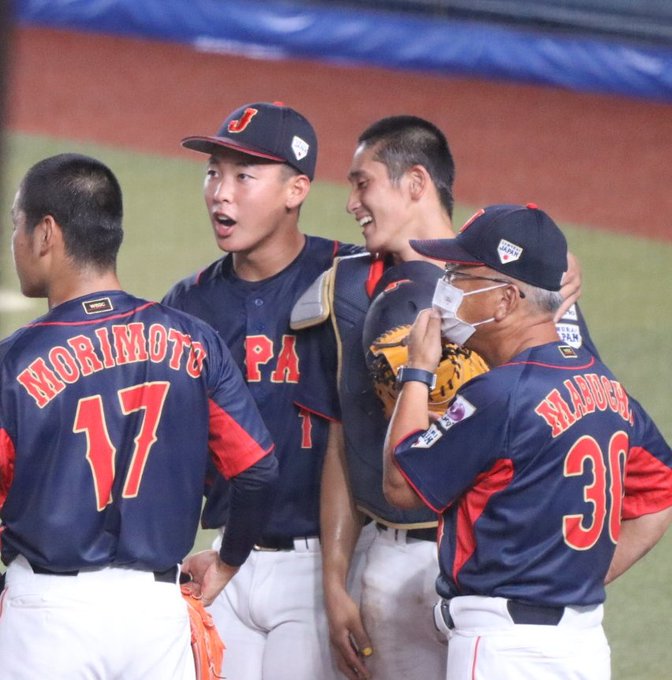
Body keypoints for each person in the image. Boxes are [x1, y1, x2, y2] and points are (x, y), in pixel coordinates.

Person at [291, 115, 591, 679]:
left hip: (499, 567)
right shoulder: (346, 287)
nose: (351, 202)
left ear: (415, 183)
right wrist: (334, 581)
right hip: (396, 554)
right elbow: (341, 441)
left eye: (362, 183)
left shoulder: (533, 289)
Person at [0, 153, 279, 679]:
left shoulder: (14, 363)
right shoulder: (195, 342)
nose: (13, 241)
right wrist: (228, 559)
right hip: (156, 617)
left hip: (47, 617)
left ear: (46, 234)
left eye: (17, 224)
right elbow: (258, 469)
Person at [383, 203, 672, 680]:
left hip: (505, 650)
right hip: (583, 647)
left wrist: (417, 370)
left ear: (505, 300)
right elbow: (658, 498)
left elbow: (399, 485)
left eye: (459, 276)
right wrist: (571, 581)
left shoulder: (500, 394)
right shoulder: (605, 384)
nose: (445, 289)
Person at [162, 101, 369, 680]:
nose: (220, 193)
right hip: (225, 561)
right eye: (213, 173)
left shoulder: (354, 277)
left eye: (244, 176)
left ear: (296, 189)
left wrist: (560, 283)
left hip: (322, 565)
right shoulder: (189, 303)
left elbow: (461, 286)